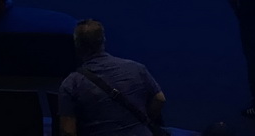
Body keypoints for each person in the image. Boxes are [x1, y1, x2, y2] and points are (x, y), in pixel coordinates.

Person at [59, 18, 192, 136]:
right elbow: (160, 99)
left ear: (77, 44)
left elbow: (68, 131)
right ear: (103, 40)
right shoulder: (137, 68)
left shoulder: (71, 83)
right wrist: (143, 120)